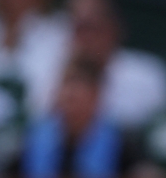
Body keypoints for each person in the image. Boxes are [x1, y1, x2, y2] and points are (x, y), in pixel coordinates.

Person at [31, 0, 166, 130]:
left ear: (114, 27)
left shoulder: (148, 75)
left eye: (92, 27)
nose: (86, 38)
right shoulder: (49, 74)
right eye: (78, 28)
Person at [13, 58, 155, 178]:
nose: (71, 103)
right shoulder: (33, 138)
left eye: (78, 98)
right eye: (67, 96)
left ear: (96, 98)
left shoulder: (121, 142)